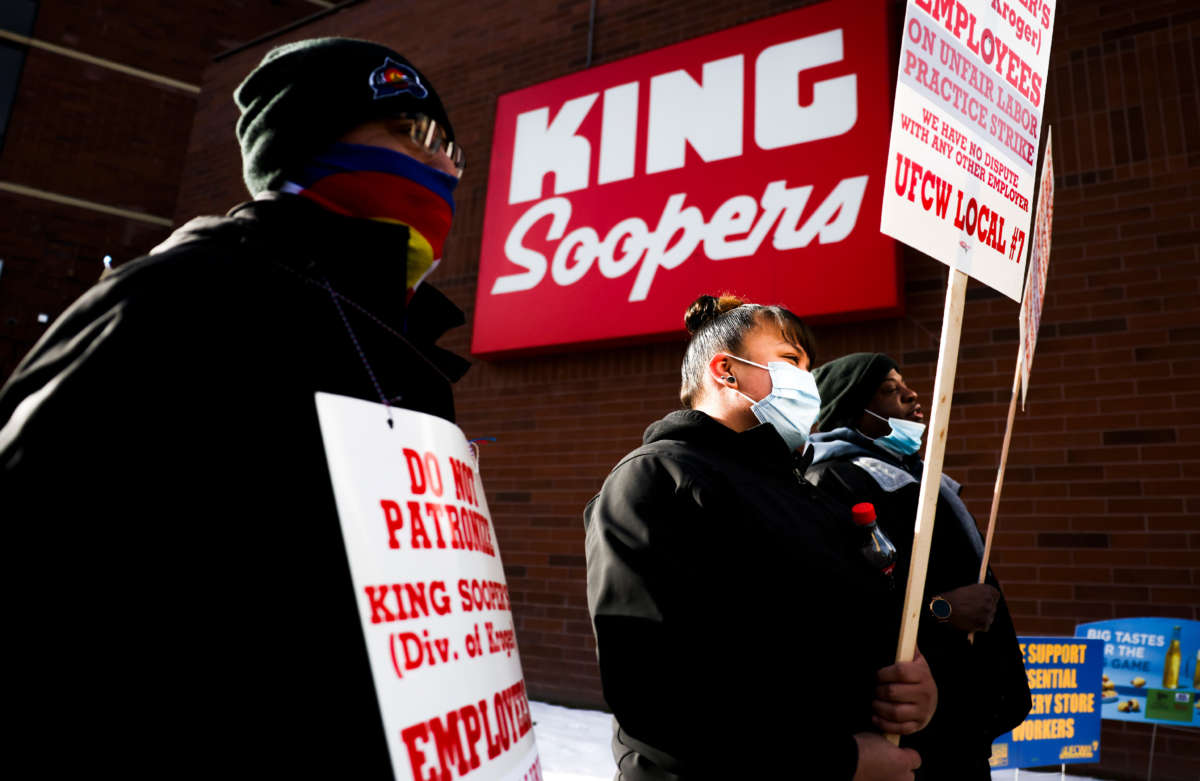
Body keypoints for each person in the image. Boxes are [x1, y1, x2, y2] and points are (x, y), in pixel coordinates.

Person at [0, 38, 469, 776]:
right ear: (308, 140)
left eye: (452, 149)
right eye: (413, 133)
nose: (445, 165)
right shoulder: (178, 298)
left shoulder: (408, 352)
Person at [584, 295, 937, 781]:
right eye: (791, 360)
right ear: (726, 372)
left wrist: (912, 684)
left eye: (809, 367)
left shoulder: (808, 492)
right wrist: (840, 761)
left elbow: (853, 628)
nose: (807, 380)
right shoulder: (656, 480)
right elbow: (654, 692)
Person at [805, 353, 1031, 780]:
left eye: (904, 385)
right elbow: (848, 602)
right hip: (911, 735)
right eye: (890, 390)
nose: (911, 395)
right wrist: (940, 610)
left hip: (962, 716)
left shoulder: (922, 477)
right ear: (853, 411)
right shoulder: (834, 480)